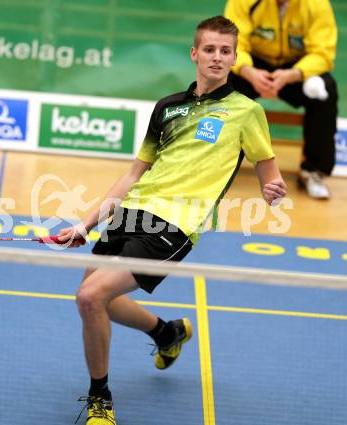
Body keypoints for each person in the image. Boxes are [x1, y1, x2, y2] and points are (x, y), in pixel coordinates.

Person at [59, 16, 287, 425]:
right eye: (210, 49)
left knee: (89, 297)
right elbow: (134, 175)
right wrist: (85, 223)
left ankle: (100, 399)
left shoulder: (246, 112)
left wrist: (273, 190)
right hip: (132, 213)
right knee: (99, 301)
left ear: (235, 58)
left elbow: (269, 172)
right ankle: (167, 333)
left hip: (175, 226)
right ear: (194, 54)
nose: (217, 57)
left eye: (225, 51)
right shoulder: (168, 107)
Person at [224, 0, 338, 199]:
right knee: (223, 81)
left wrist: (294, 74)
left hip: (297, 69)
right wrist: (247, 70)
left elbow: (323, 52)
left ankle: (312, 171)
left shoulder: (317, 4)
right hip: (253, 65)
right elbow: (232, 42)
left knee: (326, 90)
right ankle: (219, 164)